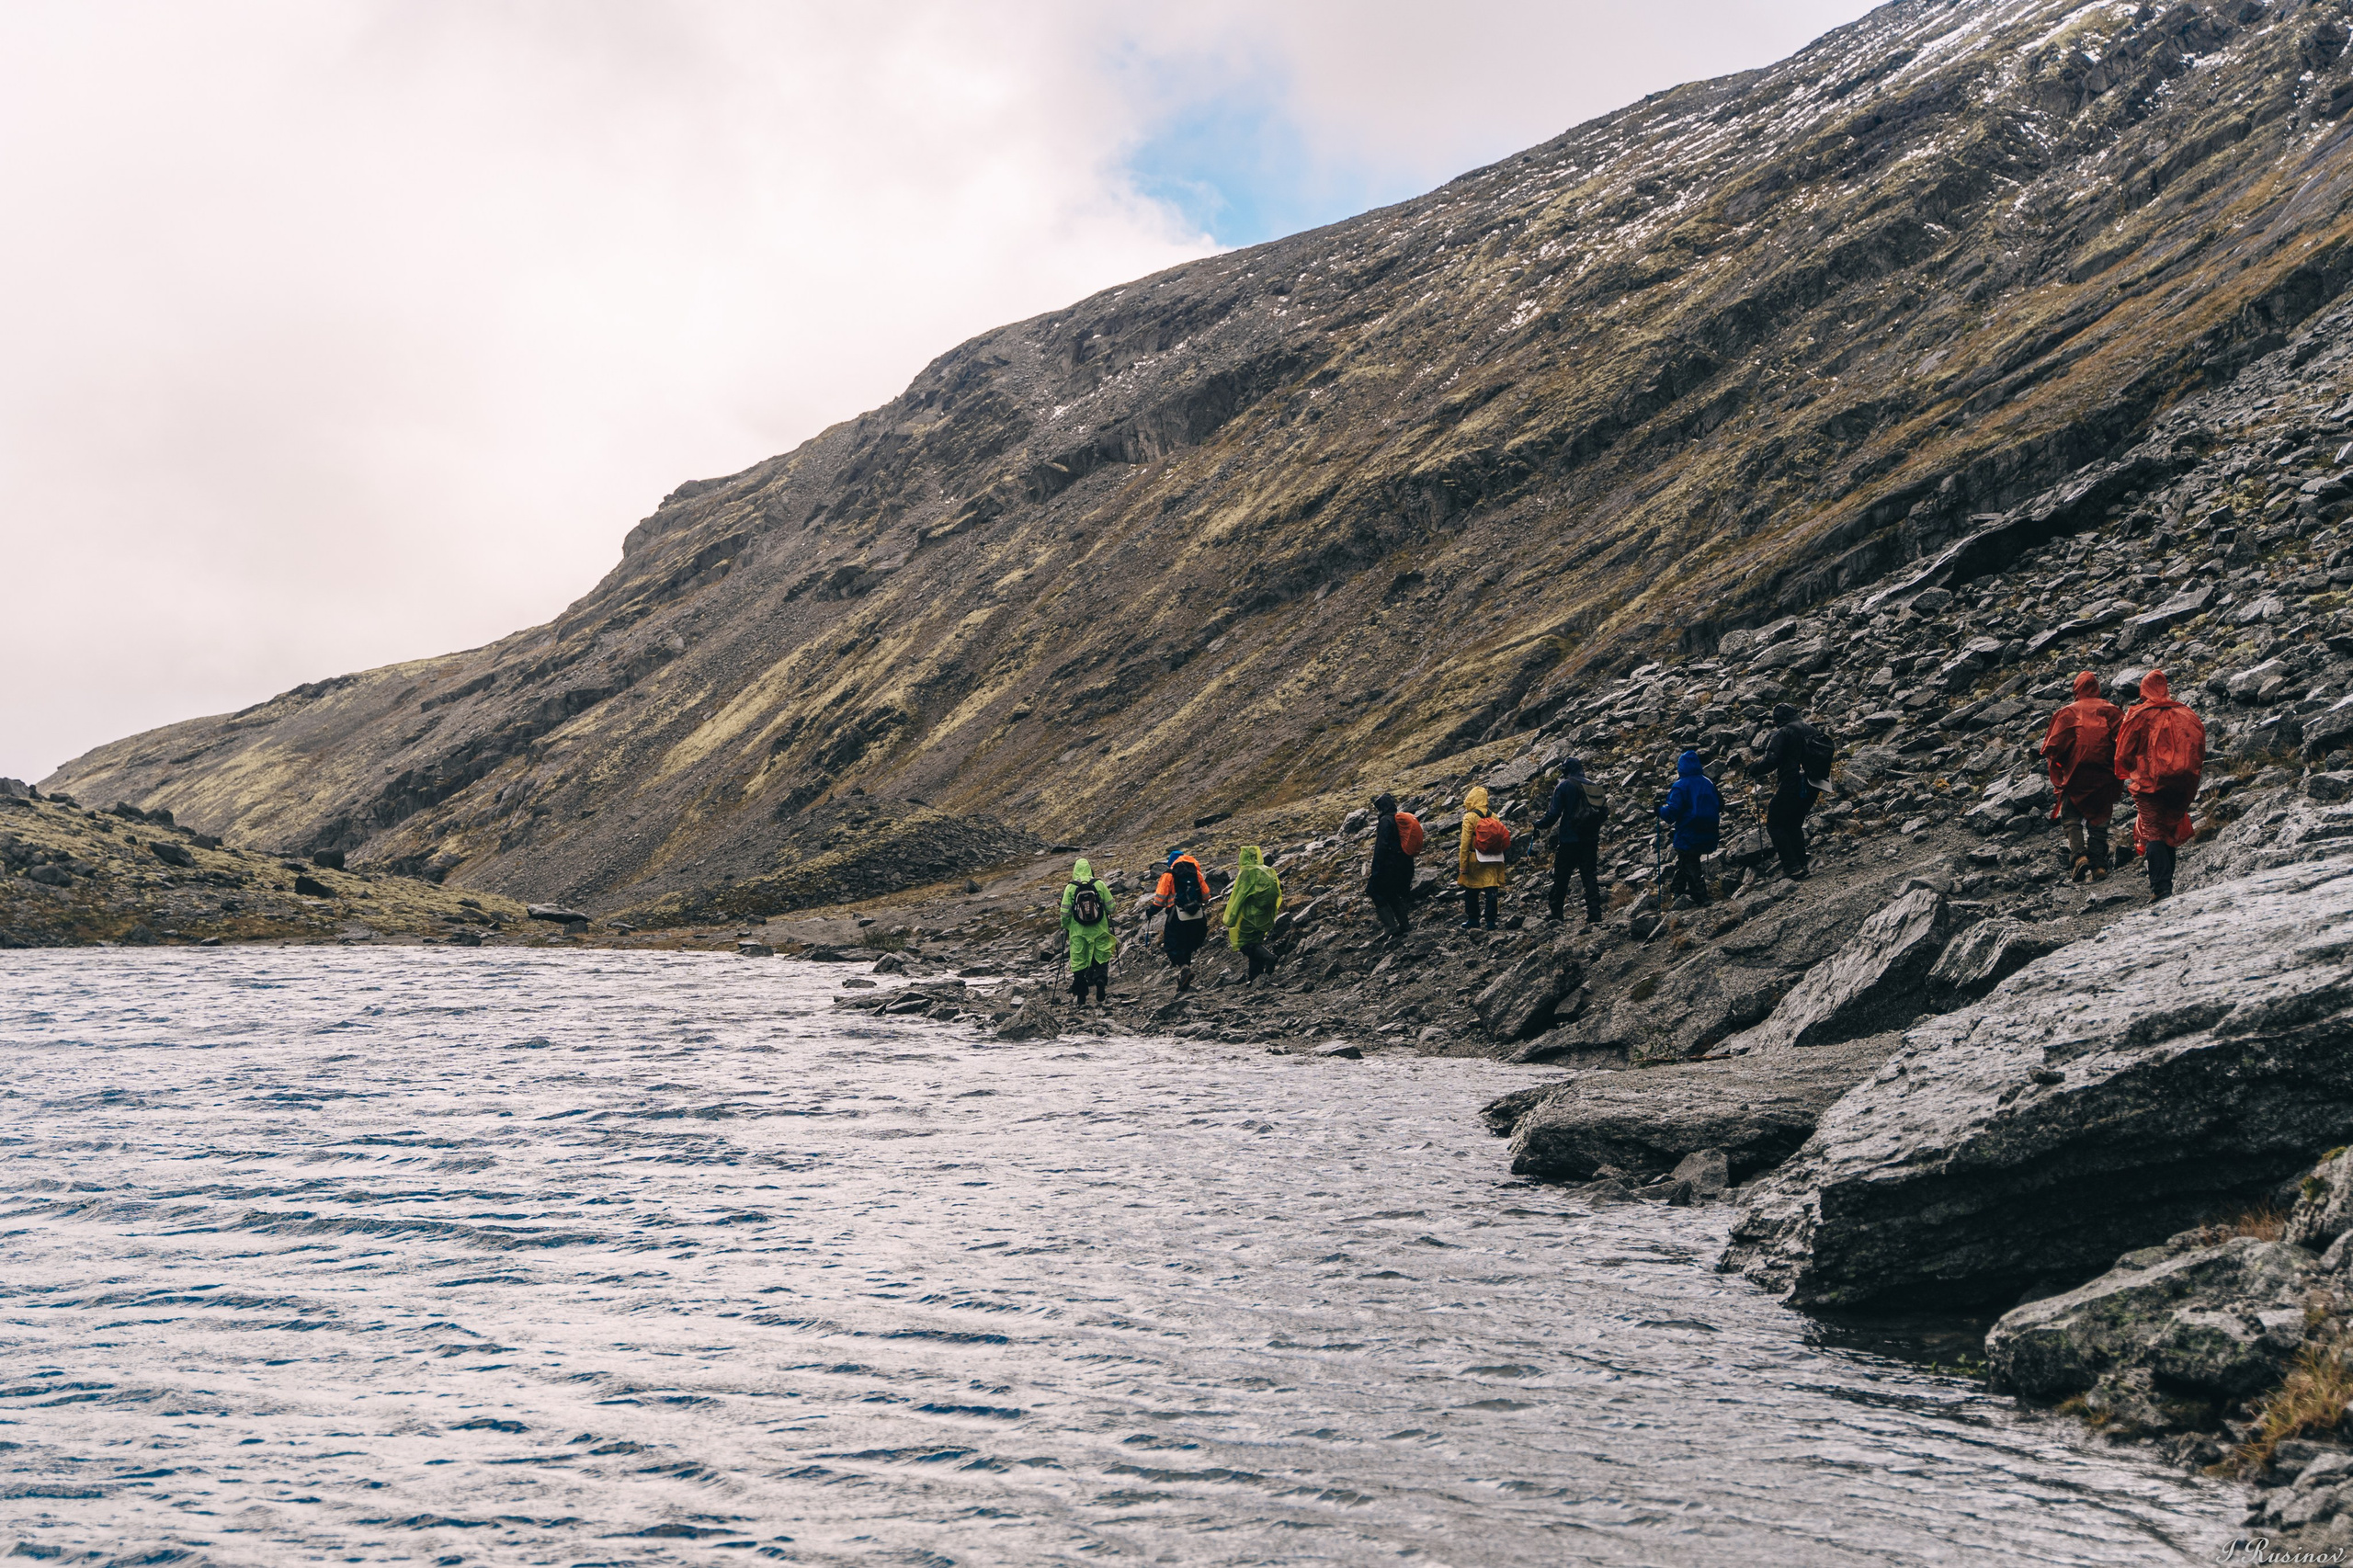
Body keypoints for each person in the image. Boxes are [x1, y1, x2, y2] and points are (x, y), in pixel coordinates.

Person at [2114, 668, 2207, 901]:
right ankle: (2166, 883)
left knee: (2154, 830)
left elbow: (2123, 754)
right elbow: (2199, 746)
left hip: (2150, 783)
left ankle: (2160, 888)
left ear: (2144, 690)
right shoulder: (2186, 713)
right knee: (2169, 827)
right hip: (2182, 782)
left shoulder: (2139, 715)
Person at [2040, 670, 2125, 882]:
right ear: (2096, 688)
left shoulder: (2067, 712)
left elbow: (2052, 747)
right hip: (2105, 773)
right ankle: (2098, 865)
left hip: (2076, 774)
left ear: (2076, 689)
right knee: (2101, 817)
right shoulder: (2111, 710)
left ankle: (2079, 856)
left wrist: (2062, 767)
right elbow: (2125, 740)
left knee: (2070, 816)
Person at [1746, 703, 1824, 880]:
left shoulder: (1783, 732)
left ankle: (1792, 867)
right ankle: (1801, 864)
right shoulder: (1810, 729)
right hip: (1814, 782)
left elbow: (1771, 759)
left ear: (1778, 719)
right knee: (1793, 824)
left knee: (1775, 823)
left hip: (1793, 781)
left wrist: (1753, 768)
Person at [1532, 758, 1604, 925]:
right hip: (1591, 839)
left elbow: (1553, 814)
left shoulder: (1564, 786)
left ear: (1566, 770)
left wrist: (1538, 824)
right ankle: (1595, 914)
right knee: (1589, 876)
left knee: (1562, 876)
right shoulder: (1593, 785)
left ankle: (1557, 913)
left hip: (1569, 839)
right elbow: (1603, 813)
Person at [1656, 750, 1723, 909]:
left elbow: (1672, 813)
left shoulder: (1680, 786)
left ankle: (1701, 897)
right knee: (1687, 860)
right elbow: (1721, 805)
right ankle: (1676, 891)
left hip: (1689, 830)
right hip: (1709, 830)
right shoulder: (1708, 782)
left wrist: (1658, 809)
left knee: (1690, 861)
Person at [1144, 846, 1213, 989]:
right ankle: (1184, 980)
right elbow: (1206, 897)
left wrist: (1151, 912)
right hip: (1196, 916)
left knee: (1171, 945)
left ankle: (1184, 968)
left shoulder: (1168, 875)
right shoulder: (1196, 873)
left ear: (1171, 862)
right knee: (1187, 945)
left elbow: (1160, 900)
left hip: (1176, 915)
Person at [1059, 857, 1118, 1005]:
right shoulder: (1099, 884)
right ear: (1090, 869)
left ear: (1075, 871)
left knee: (1079, 962)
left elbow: (1064, 912)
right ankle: (1100, 980)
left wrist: (1066, 926)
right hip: (1099, 929)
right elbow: (1111, 908)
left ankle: (1081, 996)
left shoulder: (1070, 887)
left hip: (1078, 931)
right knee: (1101, 957)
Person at [1223, 845, 1283, 980]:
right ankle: (1255, 978)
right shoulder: (1268, 870)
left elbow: (1238, 897)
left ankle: (1269, 958)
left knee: (1245, 944)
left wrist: (1230, 918)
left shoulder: (1247, 872)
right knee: (1255, 944)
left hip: (1249, 917)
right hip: (1264, 915)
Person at [1457, 785, 1510, 929]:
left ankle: (1473, 919)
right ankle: (1491, 921)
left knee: (1471, 890)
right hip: (1494, 857)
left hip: (1476, 858)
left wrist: (1463, 865)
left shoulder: (1470, 817)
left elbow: (1465, 843)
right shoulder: (1494, 816)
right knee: (1491, 890)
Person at [1366, 794, 1415, 937]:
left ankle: (1390, 926)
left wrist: (1376, 870)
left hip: (1389, 866)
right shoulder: (1398, 818)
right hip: (1404, 863)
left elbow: (1381, 847)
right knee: (1392, 893)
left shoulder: (1385, 821)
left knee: (1373, 890)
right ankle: (1405, 925)